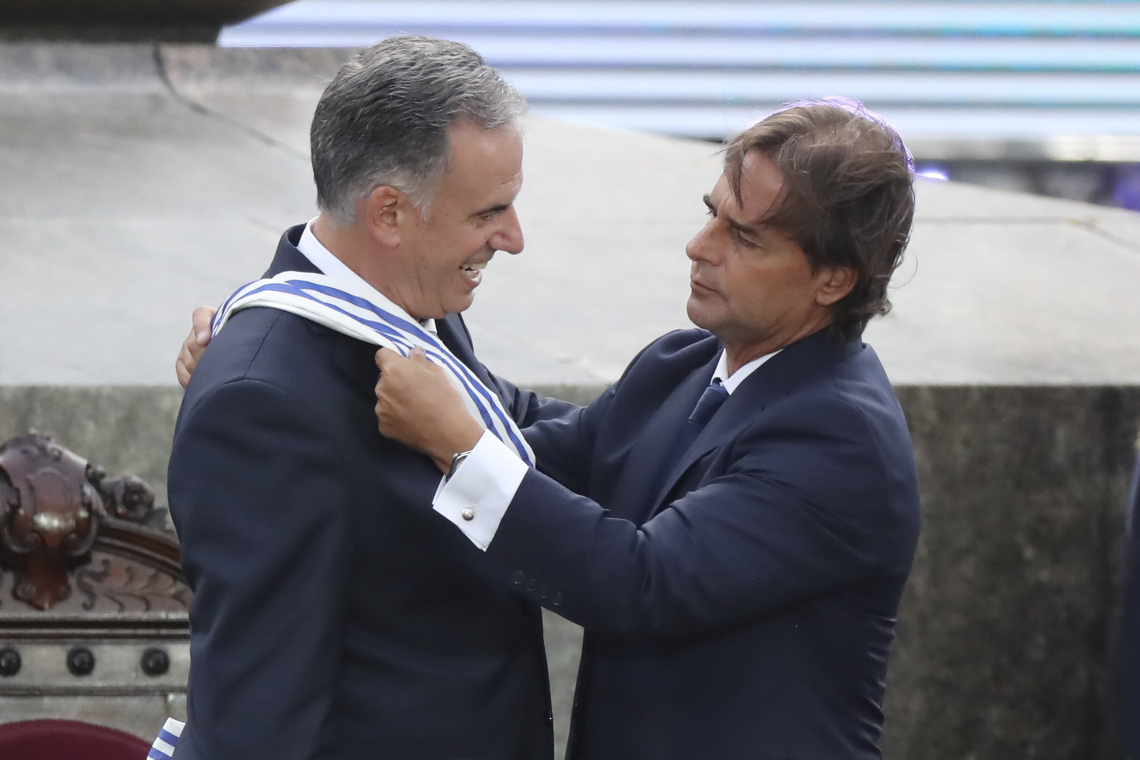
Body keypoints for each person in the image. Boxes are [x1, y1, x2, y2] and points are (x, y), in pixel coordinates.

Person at [372, 99, 922, 760]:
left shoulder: (840, 438)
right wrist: (292, 370)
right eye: (710, 212)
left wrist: (457, 442)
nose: (700, 246)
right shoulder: (682, 362)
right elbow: (543, 443)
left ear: (834, 279)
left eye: (744, 237)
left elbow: (641, 584)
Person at [168, 36, 567, 760]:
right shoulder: (261, 404)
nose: (512, 238)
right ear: (389, 214)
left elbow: (530, 428)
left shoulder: (416, 314)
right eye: (488, 213)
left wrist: (724, 402)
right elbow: (258, 718)